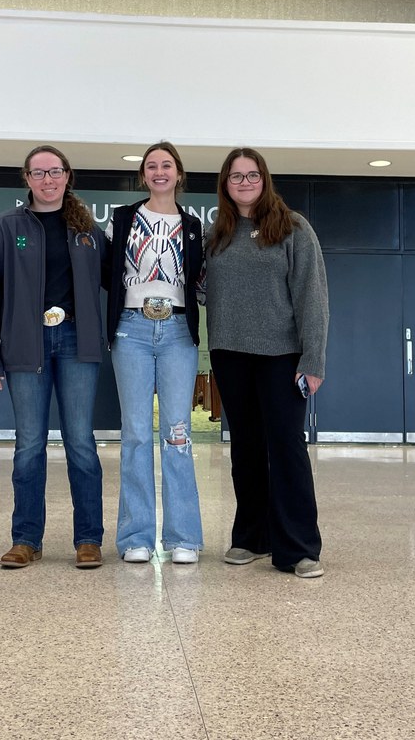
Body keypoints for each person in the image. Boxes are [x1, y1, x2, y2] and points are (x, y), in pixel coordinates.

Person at [0, 145, 107, 570]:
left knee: (81, 444)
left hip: (76, 343)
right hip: (25, 346)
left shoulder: (88, 230)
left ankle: (88, 539)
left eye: (55, 172)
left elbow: (115, 284)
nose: (48, 180)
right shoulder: (4, 227)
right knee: (29, 445)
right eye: (38, 173)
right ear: (26, 179)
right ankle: (26, 538)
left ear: (68, 176)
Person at [204, 148, 329, 578]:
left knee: (286, 446)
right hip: (229, 353)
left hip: (282, 356)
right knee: (246, 448)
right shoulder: (217, 233)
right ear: (225, 183)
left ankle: (297, 548)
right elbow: (204, 289)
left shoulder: (293, 227)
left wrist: (313, 360)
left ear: (264, 179)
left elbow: (313, 298)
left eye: (251, 175)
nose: (243, 182)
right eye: (235, 176)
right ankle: (252, 537)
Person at [105, 141, 204, 564]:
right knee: (136, 435)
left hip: (179, 332)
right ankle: (136, 538)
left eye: (167, 165)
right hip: (132, 330)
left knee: (178, 434)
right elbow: (108, 278)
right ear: (143, 175)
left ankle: (184, 537)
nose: (159, 172)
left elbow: (200, 282)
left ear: (178, 173)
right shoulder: (123, 219)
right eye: (152, 166)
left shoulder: (195, 224)